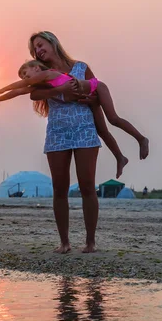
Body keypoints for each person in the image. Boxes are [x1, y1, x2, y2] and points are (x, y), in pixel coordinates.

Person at [26, 31, 142, 253]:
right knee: (59, 189)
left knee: (87, 186)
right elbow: (33, 94)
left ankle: (90, 242)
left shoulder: (81, 67)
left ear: (52, 42)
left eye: (41, 45)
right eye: (35, 50)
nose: (39, 51)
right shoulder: (42, 74)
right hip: (57, 134)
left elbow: (96, 91)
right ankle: (65, 242)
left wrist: (89, 97)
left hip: (84, 131)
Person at [0, 60, 149, 160]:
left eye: (27, 74)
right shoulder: (41, 84)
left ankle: (141, 139)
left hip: (96, 87)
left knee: (113, 119)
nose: (27, 79)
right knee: (101, 131)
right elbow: (19, 91)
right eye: (24, 77)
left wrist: (0, 90)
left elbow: (20, 86)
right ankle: (120, 158)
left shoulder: (47, 74)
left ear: (36, 68)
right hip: (86, 97)